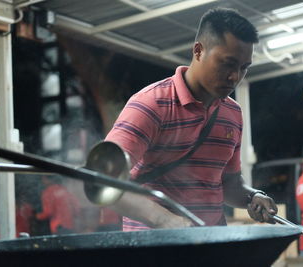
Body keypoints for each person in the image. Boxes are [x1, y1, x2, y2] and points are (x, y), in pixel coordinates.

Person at [104, 8, 277, 231]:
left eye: (244, 67)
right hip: (151, 249)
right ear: (198, 51)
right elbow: (104, 181)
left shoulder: (232, 113)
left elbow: (229, 183)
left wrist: (253, 196)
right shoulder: (151, 104)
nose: (235, 76)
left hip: (211, 244)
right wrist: (165, 220)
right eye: (227, 63)